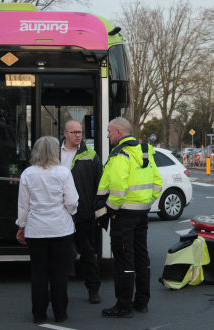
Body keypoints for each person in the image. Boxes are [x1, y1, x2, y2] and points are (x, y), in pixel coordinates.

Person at [95, 117, 163, 318]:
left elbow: (117, 188)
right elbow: (157, 183)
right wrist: (147, 203)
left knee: (124, 260)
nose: (107, 135)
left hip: (123, 215)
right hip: (141, 213)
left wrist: (112, 210)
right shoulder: (145, 153)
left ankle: (123, 306)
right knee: (142, 258)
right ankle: (141, 302)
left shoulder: (119, 155)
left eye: (109, 131)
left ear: (118, 131)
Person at [16, 136, 78, 323]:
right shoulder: (63, 172)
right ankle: (60, 313)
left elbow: (23, 205)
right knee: (59, 272)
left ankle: (39, 314)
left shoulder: (27, 174)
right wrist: (68, 212)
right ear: (54, 152)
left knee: (39, 272)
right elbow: (72, 202)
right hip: (61, 229)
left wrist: (21, 227)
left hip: (36, 230)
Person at [60, 120, 103, 304]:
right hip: (60, 214)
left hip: (84, 214)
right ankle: (57, 292)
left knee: (87, 253)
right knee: (59, 255)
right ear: (65, 134)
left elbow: (100, 185)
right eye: (74, 132)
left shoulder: (91, 155)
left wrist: (96, 210)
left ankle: (93, 290)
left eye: (80, 132)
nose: (78, 135)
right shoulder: (54, 153)